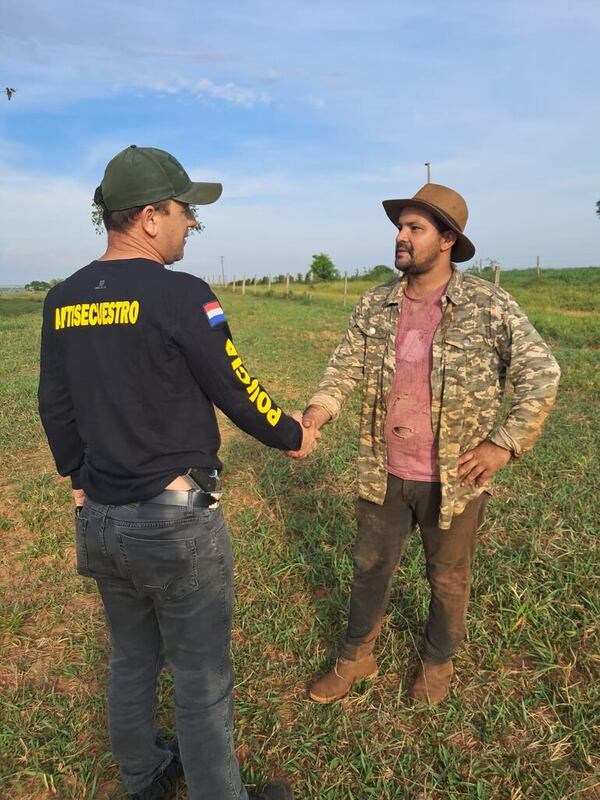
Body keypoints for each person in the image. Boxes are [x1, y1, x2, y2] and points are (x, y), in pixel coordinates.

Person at [38, 145, 316, 800]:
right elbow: (236, 387)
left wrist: (77, 476)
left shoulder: (63, 299)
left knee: (132, 661)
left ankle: (145, 779)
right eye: (185, 210)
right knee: (199, 678)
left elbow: (54, 404)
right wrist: (292, 434)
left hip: (100, 518)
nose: (192, 223)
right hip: (174, 522)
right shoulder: (182, 294)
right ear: (149, 215)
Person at [304, 183, 561, 706]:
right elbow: (343, 367)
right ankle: (357, 656)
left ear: (447, 240)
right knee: (369, 568)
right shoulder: (377, 305)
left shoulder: (488, 305)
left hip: (456, 480)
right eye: (400, 227)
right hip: (384, 471)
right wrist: (316, 413)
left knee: (448, 579)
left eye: (414, 228)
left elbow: (542, 371)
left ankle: (437, 662)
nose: (401, 237)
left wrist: (503, 445)